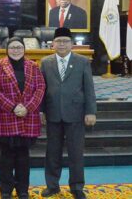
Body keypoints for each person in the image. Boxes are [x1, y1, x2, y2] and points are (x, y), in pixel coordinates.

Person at [40, 27, 97, 199]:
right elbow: (41, 89)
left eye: (66, 41)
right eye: (59, 41)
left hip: (76, 113)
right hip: (53, 113)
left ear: (72, 44)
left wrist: (91, 111)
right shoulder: (45, 62)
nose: (62, 44)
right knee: (52, 152)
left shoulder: (82, 61)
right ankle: (52, 185)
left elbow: (89, 88)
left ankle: (77, 186)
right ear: (53, 44)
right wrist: (41, 111)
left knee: (76, 152)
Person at [0, 37, 45, 199]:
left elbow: (40, 88)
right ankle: (5, 190)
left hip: (28, 116)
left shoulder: (33, 66)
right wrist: (13, 107)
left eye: (19, 47)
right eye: (12, 47)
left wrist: (28, 107)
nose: (16, 50)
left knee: (23, 156)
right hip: (6, 116)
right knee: (6, 156)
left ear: (24, 49)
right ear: (7, 49)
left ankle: (23, 190)